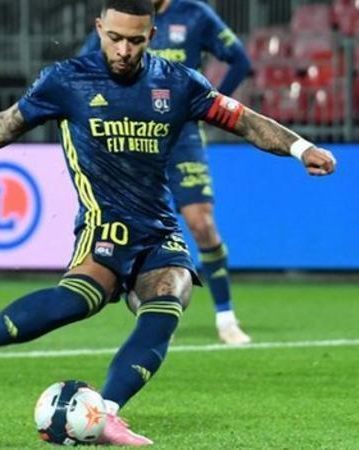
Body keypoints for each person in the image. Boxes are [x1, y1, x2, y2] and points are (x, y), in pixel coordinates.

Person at [0, 0, 335, 445]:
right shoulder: (67, 80)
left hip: (158, 229)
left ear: (151, 36)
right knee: (75, 302)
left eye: (135, 41)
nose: (123, 50)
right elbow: (6, 125)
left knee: (168, 303)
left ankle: (105, 415)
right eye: (115, 38)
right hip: (103, 226)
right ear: (99, 28)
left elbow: (245, 121)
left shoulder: (178, 83)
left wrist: (301, 149)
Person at [81, 0, 254, 344]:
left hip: (182, 135)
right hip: (133, 133)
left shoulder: (194, 14)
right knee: (138, 226)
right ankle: (152, 311)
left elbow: (240, 60)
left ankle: (226, 317)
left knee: (201, 223)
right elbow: (86, 63)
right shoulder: (125, 17)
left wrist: (211, 104)